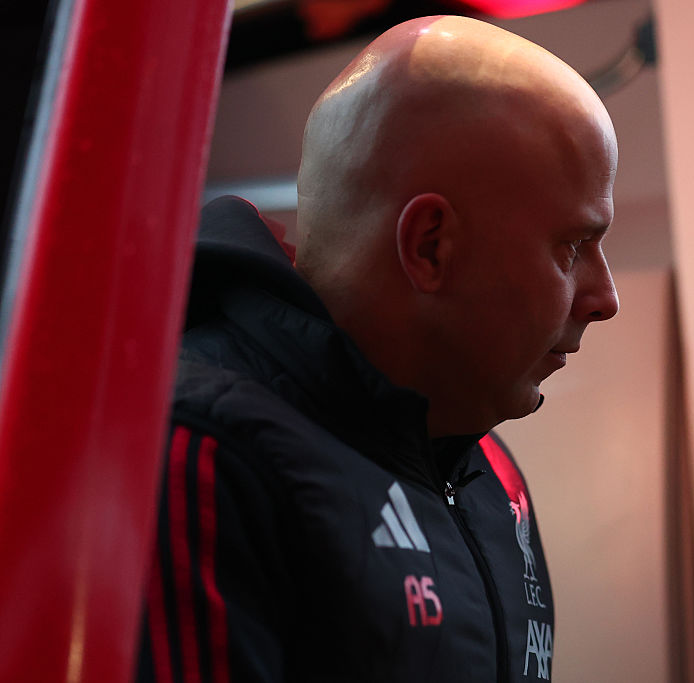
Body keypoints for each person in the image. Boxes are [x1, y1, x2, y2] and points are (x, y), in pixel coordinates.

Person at [136, 14, 618, 683]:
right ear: (430, 246)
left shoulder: (491, 476)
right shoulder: (205, 453)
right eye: (572, 247)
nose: (604, 298)